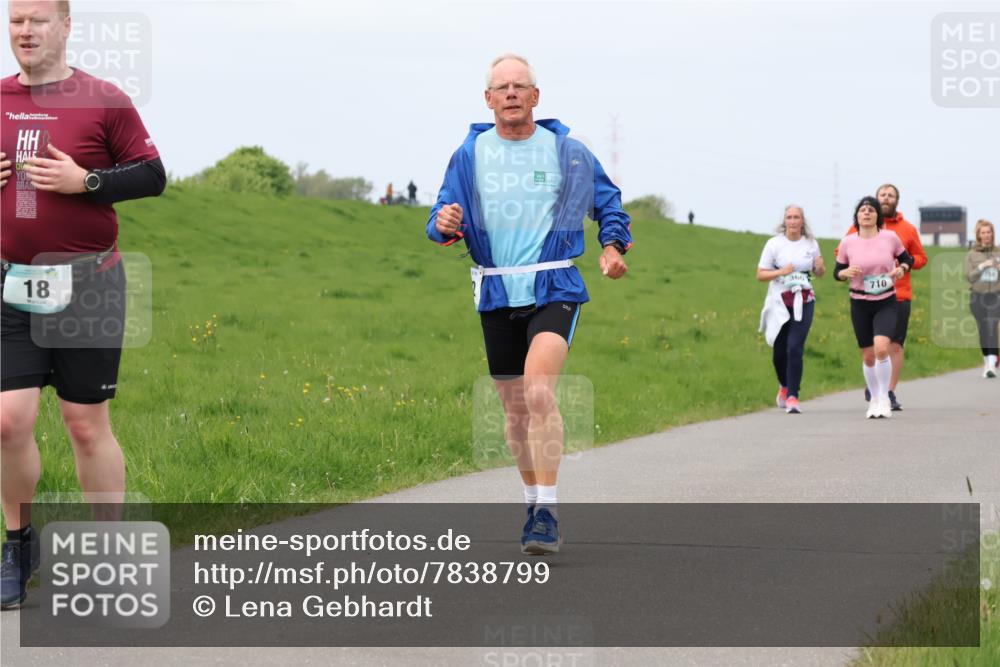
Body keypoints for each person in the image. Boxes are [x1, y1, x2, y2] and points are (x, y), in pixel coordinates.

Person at [426, 54, 631, 555]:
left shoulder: (567, 152)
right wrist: (444, 224)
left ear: (536, 97)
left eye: (521, 86)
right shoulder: (469, 154)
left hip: (553, 284)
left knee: (539, 390)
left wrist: (611, 246)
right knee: (515, 412)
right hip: (496, 290)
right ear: (489, 99)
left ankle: (548, 511)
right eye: (503, 87)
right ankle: (531, 500)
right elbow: (439, 217)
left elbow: (608, 204)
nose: (512, 93)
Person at [1, 0, 165, 609]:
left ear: (66, 27)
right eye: (16, 19)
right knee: (6, 421)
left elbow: (152, 175)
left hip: (89, 284)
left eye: (38, 19)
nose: (25, 30)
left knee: (84, 424)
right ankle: (17, 545)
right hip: (11, 286)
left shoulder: (103, 99)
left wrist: (86, 182)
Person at [836, 184, 926, 410]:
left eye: (891, 195)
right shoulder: (852, 234)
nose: (886, 198)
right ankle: (875, 389)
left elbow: (918, 258)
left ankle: (888, 393)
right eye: (882, 195)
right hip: (862, 298)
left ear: (896, 200)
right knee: (870, 353)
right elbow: (841, 258)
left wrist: (903, 267)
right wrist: (845, 272)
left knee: (890, 347)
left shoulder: (903, 230)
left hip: (897, 294)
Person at [757, 205, 825, 414]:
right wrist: (782, 272)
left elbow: (819, 271)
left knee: (795, 347)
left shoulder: (811, 243)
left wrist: (819, 267)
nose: (793, 221)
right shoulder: (774, 244)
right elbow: (760, 274)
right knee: (779, 352)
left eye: (797, 217)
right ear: (784, 221)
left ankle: (793, 396)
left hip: (803, 300)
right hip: (779, 302)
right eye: (789, 217)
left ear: (802, 221)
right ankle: (784, 386)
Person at [965, 219, 1000, 378]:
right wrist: (982, 266)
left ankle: (992, 364)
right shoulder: (972, 254)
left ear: (993, 234)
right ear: (979, 235)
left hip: (996, 296)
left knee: (992, 326)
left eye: (989, 232)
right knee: (983, 330)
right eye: (983, 233)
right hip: (977, 297)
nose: (986, 235)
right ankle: (987, 361)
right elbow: (969, 277)